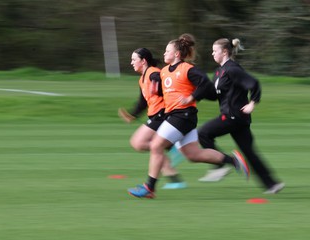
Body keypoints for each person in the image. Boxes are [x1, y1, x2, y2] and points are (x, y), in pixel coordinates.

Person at [127, 34, 250, 199]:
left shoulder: (187, 69)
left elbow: (206, 85)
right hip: (178, 117)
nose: (164, 54)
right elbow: (161, 92)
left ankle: (149, 187)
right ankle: (234, 160)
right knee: (193, 155)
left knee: (156, 146)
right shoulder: (163, 72)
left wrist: (191, 97)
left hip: (183, 115)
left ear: (176, 54)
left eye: (167, 51)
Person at [198, 38, 285, 194]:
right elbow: (215, 95)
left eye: (214, 51)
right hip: (237, 118)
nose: (212, 54)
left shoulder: (232, 69)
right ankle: (272, 184)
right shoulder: (219, 71)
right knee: (249, 152)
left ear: (224, 52)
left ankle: (220, 165)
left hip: (233, 116)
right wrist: (196, 94)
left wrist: (253, 103)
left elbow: (254, 83)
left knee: (203, 133)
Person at [118, 47, 187, 189]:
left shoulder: (154, 74)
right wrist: (132, 115)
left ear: (143, 61)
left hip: (162, 115)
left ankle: (173, 148)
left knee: (138, 142)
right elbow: (143, 102)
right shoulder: (142, 79)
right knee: (149, 146)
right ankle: (175, 179)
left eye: (134, 60)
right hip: (155, 115)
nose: (131, 63)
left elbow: (169, 88)